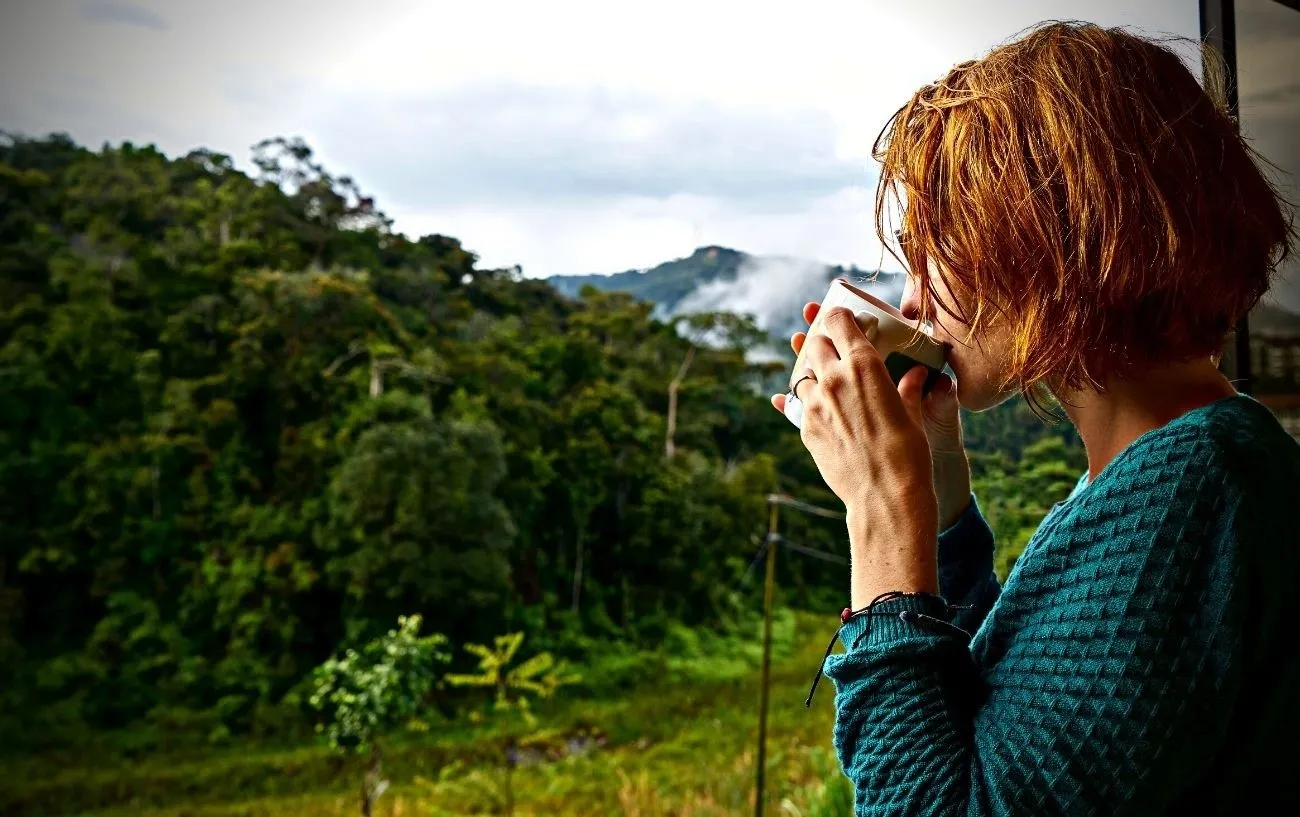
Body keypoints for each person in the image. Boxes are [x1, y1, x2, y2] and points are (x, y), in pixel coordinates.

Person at [770, 21, 1298, 816]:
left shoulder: (1195, 488)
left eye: (931, 250)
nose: (912, 300)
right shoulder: (1165, 467)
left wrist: (882, 516)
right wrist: (942, 499)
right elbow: (1019, 721)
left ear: (1044, 237)